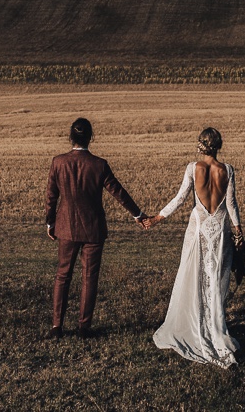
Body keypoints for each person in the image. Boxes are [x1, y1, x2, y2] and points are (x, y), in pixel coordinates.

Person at [143, 127, 243, 368]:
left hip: (198, 230)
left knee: (194, 276)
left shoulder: (192, 168)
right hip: (219, 230)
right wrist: (238, 230)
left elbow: (179, 199)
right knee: (215, 277)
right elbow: (231, 204)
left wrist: (157, 218)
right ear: (218, 146)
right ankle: (214, 326)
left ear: (201, 145)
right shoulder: (227, 170)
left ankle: (195, 324)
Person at [45, 118, 146, 339]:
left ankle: (56, 326)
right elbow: (119, 192)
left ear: (70, 137)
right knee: (89, 277)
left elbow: (51, 196)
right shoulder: (99, 165)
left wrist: (50, 222)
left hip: (66, 228)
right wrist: (137, 214)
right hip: (93, 228)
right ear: (91, 137)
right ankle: (84, 327)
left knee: (62, 275)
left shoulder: (58, 162)